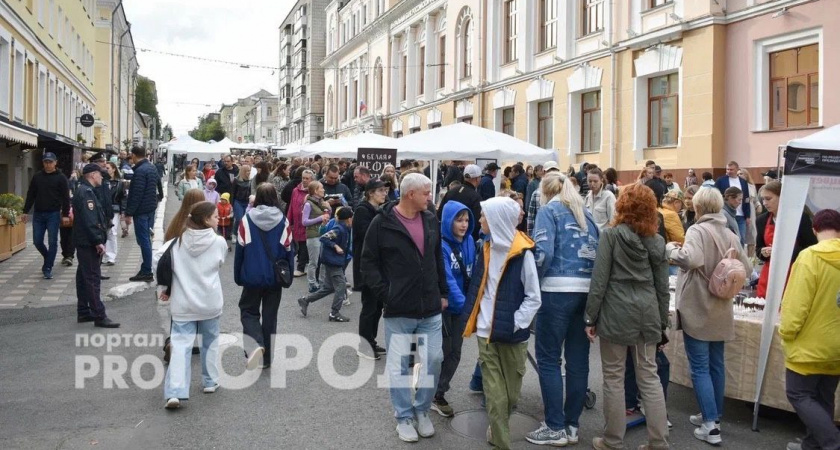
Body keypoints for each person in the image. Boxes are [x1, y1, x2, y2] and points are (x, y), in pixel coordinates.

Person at [360, 173, 447, 443]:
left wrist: (442, 291)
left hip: (430, 305)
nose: (430, 197)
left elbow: (436, 258)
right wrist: (387, 294)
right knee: (400, 366)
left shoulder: (431, 219)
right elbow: (368, 263)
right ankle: (404, 416)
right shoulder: (382, 223)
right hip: (399, 309)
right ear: (410, 194)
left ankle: (422, 410)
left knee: (433, 359)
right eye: (426, 193)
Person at [586, 182, 671, 450]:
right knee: (649, 376)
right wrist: (662, 324)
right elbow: (662, 286)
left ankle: (612, 440)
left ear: (622, 205)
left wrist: (590, 317)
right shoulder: (657, 241)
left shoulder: (611, 236)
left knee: (614, 377)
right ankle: (659, 442)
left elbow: (599, 280)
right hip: (646, 314)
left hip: (615, 313)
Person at [665, 187, 751, 445]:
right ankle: (713, 413)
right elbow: (746, 267)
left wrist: (670, 250)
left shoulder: (697, 230)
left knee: (700, 366)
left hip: (698, 304)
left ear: (699, 208)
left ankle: (710, 425)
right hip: (721, 306)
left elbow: (690, 259)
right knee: (716, 364)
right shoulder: (729, 232)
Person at [527, 172, 599, 447]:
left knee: (548, 360)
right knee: (578, 361)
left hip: (556, 290)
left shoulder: (549, 211)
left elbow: (542, 253)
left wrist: (532, 282)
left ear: (545, 191)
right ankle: (571, 425)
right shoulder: (587, 213)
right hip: (586, 292)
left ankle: (554, 426)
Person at [462, 197, 541, 450]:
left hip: (513, 335)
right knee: (495, 393)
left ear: (496, 220)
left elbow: (533, 296)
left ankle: (497, 429)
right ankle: (501, 441)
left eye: (484, 216)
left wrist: (518, 322)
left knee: (511, 394)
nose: (480, 220)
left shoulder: (523, 254)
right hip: (485, 332)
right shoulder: (483, 247)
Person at [780, 209, 840, 450]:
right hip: (836, 345)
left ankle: (832, 441)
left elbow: (796, 305)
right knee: (824, 397)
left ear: (815, 230)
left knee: (799, 394)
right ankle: (812, 445)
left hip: (809, 344)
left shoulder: (809, 257)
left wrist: (787, 332)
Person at [161, 201, 227, 409]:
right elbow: (220, 263)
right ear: (206, 220)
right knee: (210, 342)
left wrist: (166, 285)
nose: (219, 219)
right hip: (210, 300)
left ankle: (175, 391)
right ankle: (210, 381)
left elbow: (158, 261)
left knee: (181, 346)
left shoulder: (176, 242)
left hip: (183, 302)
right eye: (216, 216)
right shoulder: (218, 242)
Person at [234, 183, 295, 370]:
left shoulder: (246, 220)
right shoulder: (283, 221)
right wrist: (289, 275)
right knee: (270, 317)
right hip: (275, 277)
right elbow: (288, 250)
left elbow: (240, 250)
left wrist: (238, 275)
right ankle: (267, 359)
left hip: (252, 275)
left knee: (248, 311)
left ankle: (255, 344)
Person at [430, 201, 476, 418]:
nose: (464, 224)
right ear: (448, 220)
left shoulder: (470, 243)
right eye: (459, 219)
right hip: (446, 308)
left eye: (467, 219)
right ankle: (432, 393)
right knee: (440, 353)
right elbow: (447, 281)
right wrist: (467, 308)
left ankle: (437, 392)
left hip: (462, 309)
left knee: (454, 353)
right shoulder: (441, 246)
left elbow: (474, 277)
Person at [73, 164, 119, 328]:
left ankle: (84, 311)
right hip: (88, 242)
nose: (102, 177)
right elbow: (90, 221)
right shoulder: (87, 193)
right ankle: (99, 315)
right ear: (93, 175)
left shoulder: (84, 190)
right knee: (92, 278)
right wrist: (98, 241)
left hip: (83, 240)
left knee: (83, 276)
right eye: (100, 174)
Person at [755, 181, 817, 298]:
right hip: (770, 274)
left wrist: (784, 252)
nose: (764, 203)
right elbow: (759, 248)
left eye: (768, 199)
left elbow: (811, 247)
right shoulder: (761, 221)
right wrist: (763, 252)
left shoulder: (800, 219)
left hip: (795, 271)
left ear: (782, 197)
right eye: (763, 199)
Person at [354, 179, 390, 359]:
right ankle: (364, 345)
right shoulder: (362, 210)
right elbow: (368, 235)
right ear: (370, 193)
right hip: (367, 266)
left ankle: (371, 341)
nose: (384, 193)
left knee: (376, 307)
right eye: (380, 190)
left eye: (385, 190)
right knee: (369, 307)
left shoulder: (378, 210)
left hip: (379, 266)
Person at [298, 207, 353, 322]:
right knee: (341, 286)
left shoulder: (345, 228)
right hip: (333, 261)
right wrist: (335, 246)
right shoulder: (339, 229)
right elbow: (324, 237)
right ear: (348, 219)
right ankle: (334, 313)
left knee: (328, 288)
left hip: (333, 260)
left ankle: (306, 300)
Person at [21, 152, 71, 279]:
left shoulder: (61, 178)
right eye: (45, 162)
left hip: (53, 214)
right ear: (43, 163)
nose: (48, 164)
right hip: (38, 214)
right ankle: (48, 257)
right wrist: (25, 211)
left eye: (50, 162)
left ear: (55, 162)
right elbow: (31, 194)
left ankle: (47, 267)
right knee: (37, 241)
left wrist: (65, 214)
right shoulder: (37, 176)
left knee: (52, 241)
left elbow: (66, 198)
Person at [124, 146, 161, 283]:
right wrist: (159, 198)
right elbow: (158, 184)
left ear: (133, 155)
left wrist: (128, 213)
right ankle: (146, 268)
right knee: (145, 239)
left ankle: (146, 270)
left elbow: (136, 194)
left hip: (141, 210)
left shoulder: (140, 171)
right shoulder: (151, 167)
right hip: (150, 207)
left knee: (143, 240)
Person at [437, 164, 483, 242]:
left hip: (446, 237)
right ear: (477, 179)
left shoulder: (451, 192)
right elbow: (476, 223)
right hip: (465, 239)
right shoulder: (475, 197)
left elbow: (440, 214)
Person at [302, 181, 331, 292]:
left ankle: (322, 282)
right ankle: (312, 283)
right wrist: (320, 218)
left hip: (322, 233)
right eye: (321, 188)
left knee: (323, 260)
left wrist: (329, 209)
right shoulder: (308, 204)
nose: (323, 190)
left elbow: (327, 217)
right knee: (313, 261)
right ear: (315, 191)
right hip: (313, 235)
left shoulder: (321, 202)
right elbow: (304, 222)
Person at [715, 161, 751, 242]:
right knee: (730, 238)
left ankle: (740, 254)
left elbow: (746, 198)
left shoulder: (743, 182)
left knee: (741, 238)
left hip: (741, 214)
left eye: (731, 169)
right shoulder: (721, 181)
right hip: (727, 213)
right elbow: (715, 194)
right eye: (727, 169)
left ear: (737, 169)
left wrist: (748, 215)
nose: (729, 171)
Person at [289, 169, 315, 277]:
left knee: (304, 244)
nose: (304, 180)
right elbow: (291, 205)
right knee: (299, 243)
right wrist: (289, 220)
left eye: (307, 178)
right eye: (303, 178)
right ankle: (303, 263)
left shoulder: (313, 192)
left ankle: (300, 267)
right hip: (297, 222)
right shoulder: (295, 190)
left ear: (312, 180)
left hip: (307, 222)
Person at [526, 161, 561, 237]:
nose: (552, 174)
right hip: (541, 233)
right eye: (550, 171)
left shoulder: (564, 192)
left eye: (554, 171)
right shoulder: (537, 193)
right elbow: (531, 217)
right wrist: (531, 236)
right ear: (544, 173)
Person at [103, 162, 127, 266]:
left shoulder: (119, 183)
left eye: (108, 168)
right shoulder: (102, 181)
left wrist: (123, 211)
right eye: (105, 168)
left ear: (113, 169)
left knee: (112, 232)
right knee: (102, 232)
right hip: (102, 210)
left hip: (114, 210)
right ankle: (103, 254)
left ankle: (111, 256)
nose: (106, 169)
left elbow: (123, 198)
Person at [738, 168, 761, 257]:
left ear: (746, 175)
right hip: (740, 211)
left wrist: (758, 205)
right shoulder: (736, 186)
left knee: (751, 236)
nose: (739, 176)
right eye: (738, 174)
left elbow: (755, 200)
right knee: (741, 236)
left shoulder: (751, 186)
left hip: (751, 211)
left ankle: (751, 259)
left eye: (741, 174)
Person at [231, 164, 252, 234]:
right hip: (238, 202)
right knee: (239, 219)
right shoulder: (236, 180)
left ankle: (242, 233)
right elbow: (233, 193)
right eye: (247, 171)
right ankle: (234, 233)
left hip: (247, 202)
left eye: (249, 171)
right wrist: (232, 204)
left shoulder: (250, 180)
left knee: (245, 219)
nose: (249, 172)